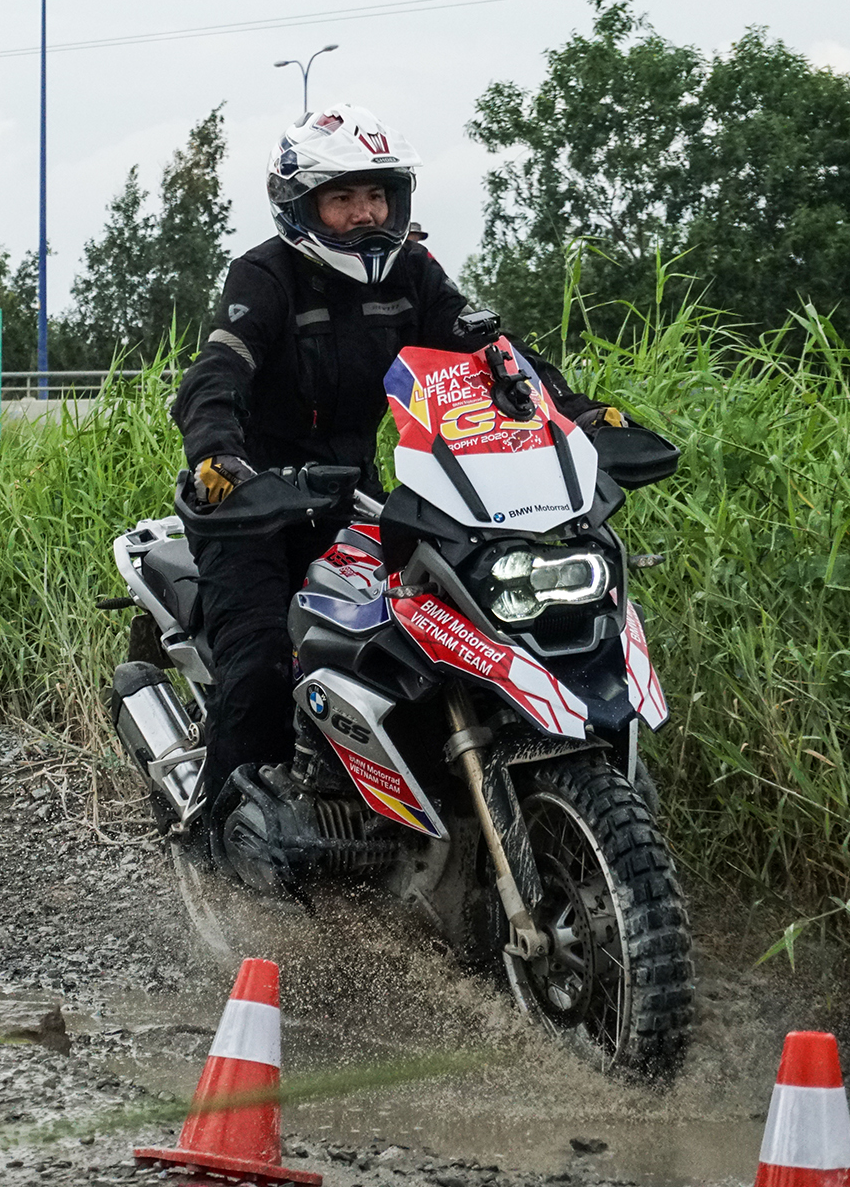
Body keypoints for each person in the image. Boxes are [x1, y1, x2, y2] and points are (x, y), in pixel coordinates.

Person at [170, 104, 609, 850]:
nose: (365, 215)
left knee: (442, 630)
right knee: (265, 664)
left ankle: (407, 808)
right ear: (302, 205)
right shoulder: (264, 277)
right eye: (342, 199)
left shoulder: (413, 272)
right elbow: (219, 371)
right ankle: (215, 843)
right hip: (253, 504)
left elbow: (493, 350)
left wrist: (578, 411)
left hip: (356, 497)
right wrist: (217, 453)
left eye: (377, 196)